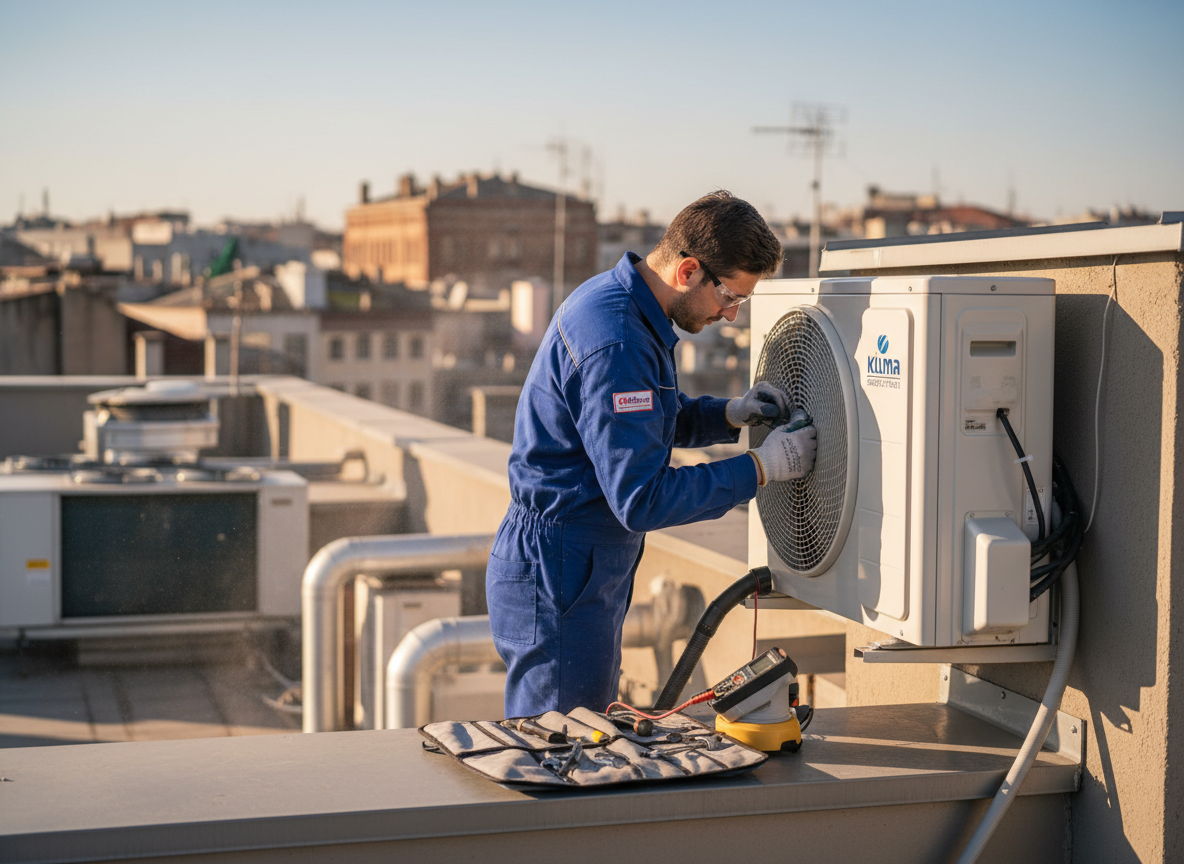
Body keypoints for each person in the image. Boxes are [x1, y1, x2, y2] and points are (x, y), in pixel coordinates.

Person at [487, 191, 817, 718]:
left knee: (576, 739)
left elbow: (638, 427)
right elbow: (641, 499)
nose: (731, 315)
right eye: (731, 295)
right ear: (689, 270)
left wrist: (729, 413)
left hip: (573, 562)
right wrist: (763, 468)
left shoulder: (628, 308)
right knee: (560, 757)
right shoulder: (617, 340)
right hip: (562, 568)